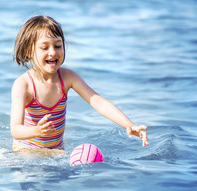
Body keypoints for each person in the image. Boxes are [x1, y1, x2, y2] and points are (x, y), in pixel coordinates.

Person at [10, 15, 149, 152]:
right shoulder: (23, 85)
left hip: (56, 151)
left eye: (58, 46)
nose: (53, 52)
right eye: (44, 47)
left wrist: (129, 125)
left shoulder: (67, 77)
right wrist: (36, 130)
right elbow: (15, 129)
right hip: (26, 152)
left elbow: (98, 102)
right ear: (28, 52)